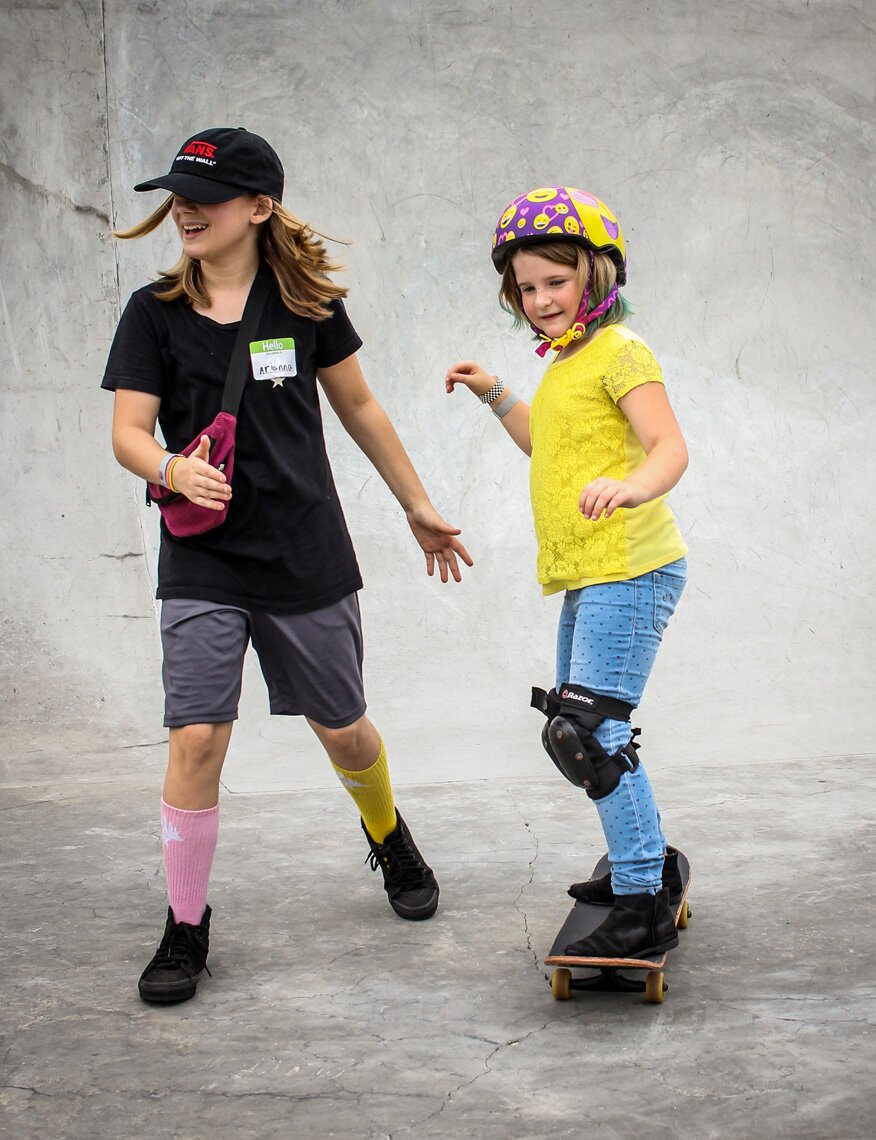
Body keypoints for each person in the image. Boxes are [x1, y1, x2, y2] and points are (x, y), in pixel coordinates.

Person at [102, 127, 472, 1004]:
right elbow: (126, 431)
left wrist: (416, 504)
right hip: (203, 558)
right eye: (178, 194)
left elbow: (362, 409)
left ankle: (387, 832)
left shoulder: (306, 307)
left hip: (305, 548)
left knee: (343, 727)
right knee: (196, 735)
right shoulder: (153, 311)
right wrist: (167, 467)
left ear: (260, 207)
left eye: (209, 195)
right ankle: (185, 925)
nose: (185, 210)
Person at [445, 187, 688, 960]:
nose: (542, 299)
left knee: (587, 734)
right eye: (527, 287)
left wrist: (632, 485)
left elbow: (669, 448)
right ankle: (642, 864)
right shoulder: (566, 364)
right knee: (581, 733)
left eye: (556, 280)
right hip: (590, 573)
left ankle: (643, 894)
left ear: (595, 274)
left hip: (630, 564)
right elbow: (543, 444)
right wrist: (494, 392)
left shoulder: (621, 351)